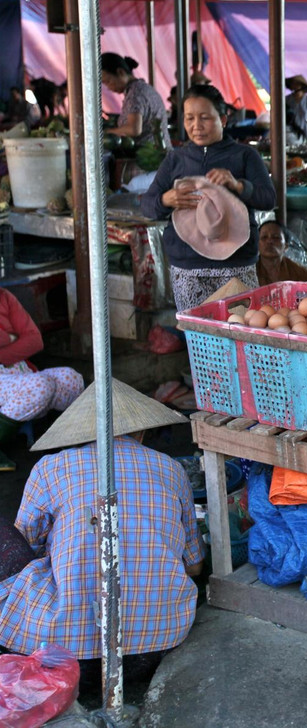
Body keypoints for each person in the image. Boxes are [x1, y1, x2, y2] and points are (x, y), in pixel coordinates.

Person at [0, 379, 202, 687]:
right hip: (156, 646)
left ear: (82, 432)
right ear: (142, 430)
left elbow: (24, 546)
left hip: (61, 657)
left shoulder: (51, 468)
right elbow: (195, 565)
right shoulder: (171, 469)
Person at [141, 84, 276, 311]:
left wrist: (238, 186)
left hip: (236, 262)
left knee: (240, 332)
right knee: (198, 337)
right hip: (188, 265)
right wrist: (166, 200)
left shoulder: (245, 155)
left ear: (223, 119)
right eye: (189, 118)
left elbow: (268, 199)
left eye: (205, 118)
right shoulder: (176, 160)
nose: (196, 126)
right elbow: (146, 206)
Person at [0, 287, 83, 425]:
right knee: (41, 386)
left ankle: (64, 435)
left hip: (22, 374)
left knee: (72, 379)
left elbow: (34, 341)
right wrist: (11, 338)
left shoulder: (4, 296)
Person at [100, 52, 170, 147]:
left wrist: (107, 132)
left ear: (121, 72)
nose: (109, 87)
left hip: (151, 154)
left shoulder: (135, 94)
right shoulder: (140, 88)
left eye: (108, 81)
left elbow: (133, 129)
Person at [256, 220, 307, 285]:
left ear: (286, 246)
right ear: (257, 244)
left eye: (276, 237)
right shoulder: (249, 273)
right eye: (264, 237)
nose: (269, 241)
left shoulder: (303, 275)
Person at [285, 74, 307, 142]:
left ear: (301, 85)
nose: (293, 85)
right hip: (291, 135)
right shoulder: (287, 100)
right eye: (292, 83)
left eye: (296, 83)